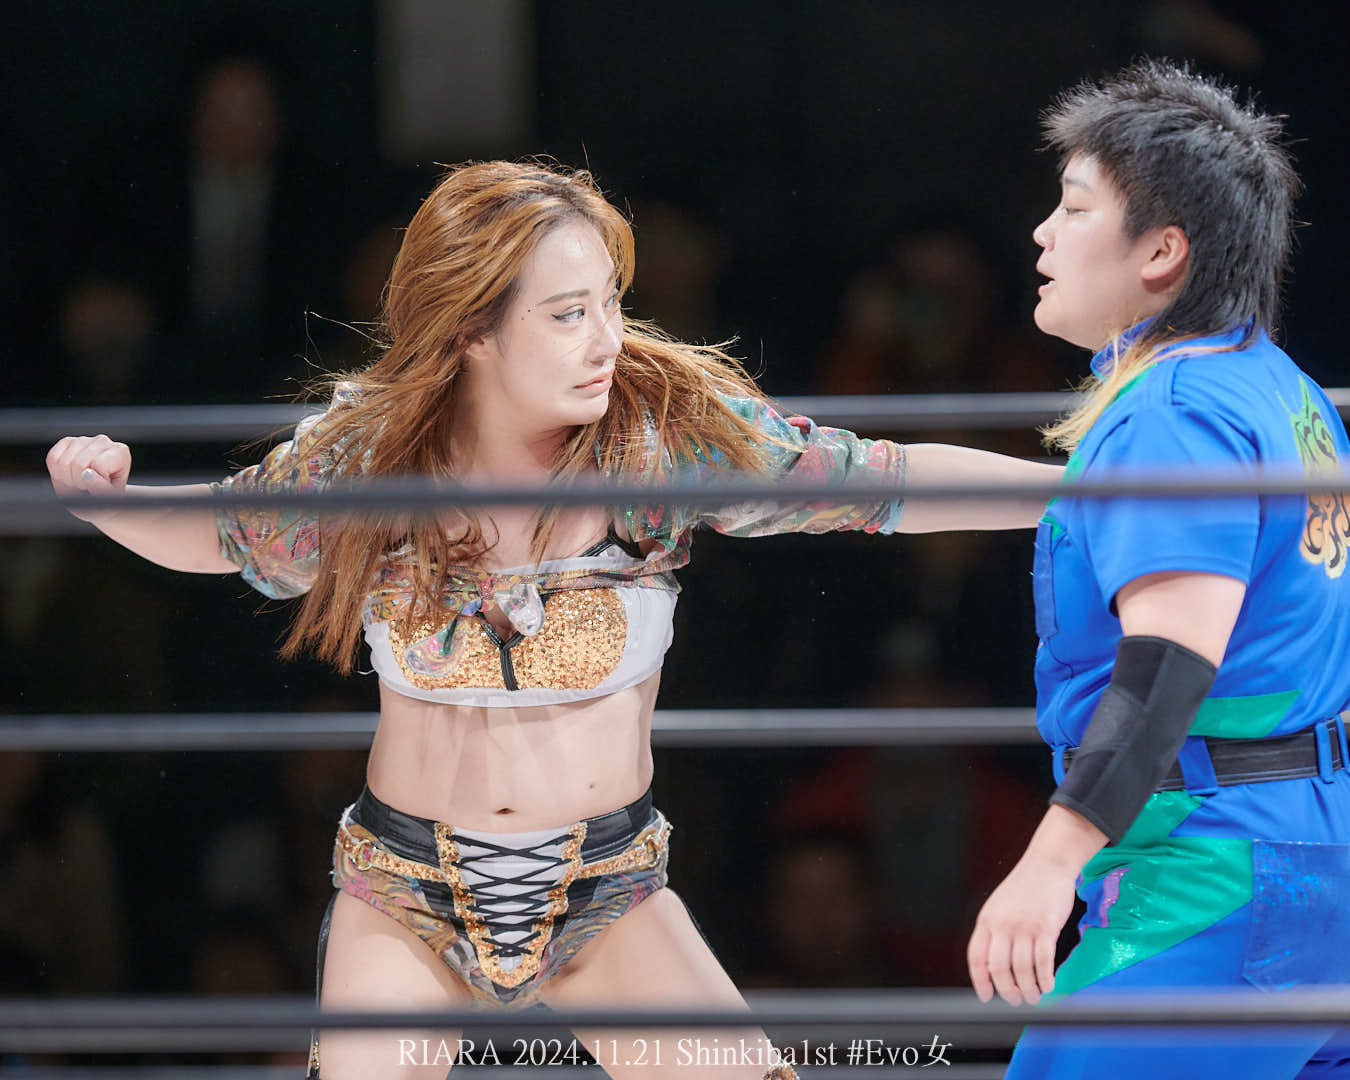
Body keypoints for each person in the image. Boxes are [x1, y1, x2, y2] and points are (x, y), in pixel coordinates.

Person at [47, 160, 1059, 1079]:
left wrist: (1078, 492)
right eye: (570, 314)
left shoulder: (664, 442)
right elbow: (228, 534)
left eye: (611, 303)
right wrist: (112, 507)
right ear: (471, 330)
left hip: (604, 890)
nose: (607, 339)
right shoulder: (373, 460)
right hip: (407, 892)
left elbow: (879, 480)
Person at [966, 61, 1350, 1077]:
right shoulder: (1283, 390)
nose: (1042, 234)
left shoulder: (1174, 414)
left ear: (1162, 251)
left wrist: (1048, 866)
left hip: (1220, 872)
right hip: (1312, 854)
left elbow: (1171, 664)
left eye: (1074, 207)